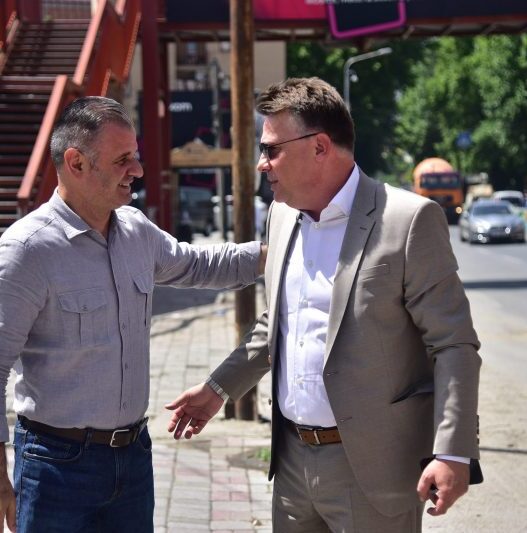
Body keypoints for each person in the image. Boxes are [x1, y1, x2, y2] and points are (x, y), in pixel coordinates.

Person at [166, 77, 482, 532]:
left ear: (319, 146)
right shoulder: (281, 216)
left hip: (373, 469)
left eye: (272, 149)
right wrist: (218, 389)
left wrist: (452, 451)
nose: (261, 163)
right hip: (291, 466)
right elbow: (278, 323)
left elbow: (453, 344)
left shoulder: (407, 221)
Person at [0, 96, 265, 532]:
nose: (138, 170)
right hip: (55, 468)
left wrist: (278, 253)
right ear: (76, 162)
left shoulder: (135, 230)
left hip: (133, 460)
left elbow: (200, 265)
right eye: (123, 160)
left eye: (136, 156)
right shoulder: (27, 251)